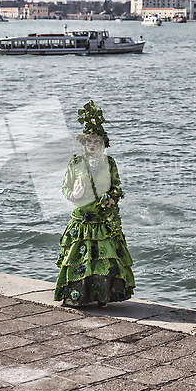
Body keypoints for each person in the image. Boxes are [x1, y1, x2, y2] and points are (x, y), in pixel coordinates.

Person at [54, 100, 135, 307]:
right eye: (88, 141)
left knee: (104, 261)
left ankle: (102, 297)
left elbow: (117, 188)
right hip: (81, 218)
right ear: (84, 143)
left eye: (96, 142)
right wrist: (74, 193)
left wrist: (110, 198)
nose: (92, 145)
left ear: (102, 144)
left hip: (102, 220)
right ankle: (77, 297)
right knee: (78, 259)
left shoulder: (110, 164)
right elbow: (65, 188)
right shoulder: (75, 162)